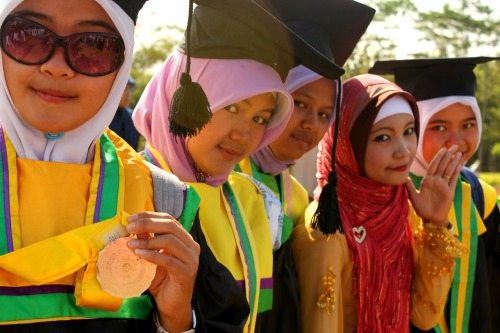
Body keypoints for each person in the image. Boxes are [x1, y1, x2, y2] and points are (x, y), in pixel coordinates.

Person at [132, 0, 347, 331]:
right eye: (232, 107)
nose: (245, 134)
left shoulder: (255, 204)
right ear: (181, 93)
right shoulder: (123, 190)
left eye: (261, 118)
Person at [0, 1, 202, 332]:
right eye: (27, 35)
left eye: (94, 45)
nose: (56, 66)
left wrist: (176, 319)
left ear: (123, 66)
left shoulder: (165, 204)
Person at [234, 0, 375, 331]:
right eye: (300, 103)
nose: (312, 124)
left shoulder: (298, 198)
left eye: (325, 114)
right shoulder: (219, 178)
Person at [291, 73, 468, 332]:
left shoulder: (400, 209)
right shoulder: (327, 230)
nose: (404, 150)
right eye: (383, 137)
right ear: (347, 145)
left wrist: (436, 223)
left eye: (409, 131)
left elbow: (424, 316)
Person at [369, 56, 500, 333]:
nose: (456, 140)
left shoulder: (480, 196)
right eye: (438, 127)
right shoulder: (381, 198)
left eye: (468, 124)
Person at [109, 76, 141, 150]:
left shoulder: (133, 117)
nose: (128, 94)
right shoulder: (100, 117)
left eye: (130, 89)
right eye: (124, 89)